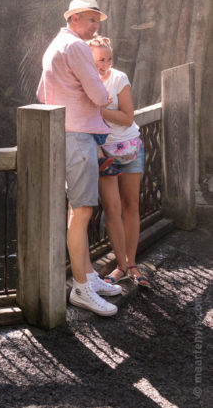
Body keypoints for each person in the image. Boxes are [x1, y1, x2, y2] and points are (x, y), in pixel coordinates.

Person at [37, 0, 122, 316]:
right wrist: (105, 92)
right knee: (83, 210)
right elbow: (100, 95)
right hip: (78, 136)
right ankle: (82, 290)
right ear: (73, 18)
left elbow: (41, 93)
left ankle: (87, 276)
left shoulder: (57, 44)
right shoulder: (76, 48)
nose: (95, 25)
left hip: (67, 133)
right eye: (89, 19)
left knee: (78, 208)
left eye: (97, 20)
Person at [88, 35, 150, 288]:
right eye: (100, 60)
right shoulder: (84, 83)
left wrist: (96, 110)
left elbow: (127, 117)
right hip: (104, 155)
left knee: (131, 205)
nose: (105, 64)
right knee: (112, 210)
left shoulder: (119, 78)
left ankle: (133, 264)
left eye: (108, 58)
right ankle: (120, 267)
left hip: (131, 147)